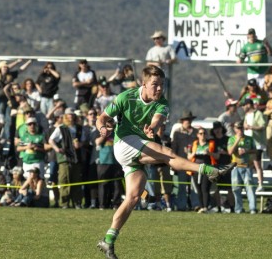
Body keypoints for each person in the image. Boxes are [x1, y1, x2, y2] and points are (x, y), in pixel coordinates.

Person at [95, 65, 235, 259]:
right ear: (143, 84)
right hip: (123, 143)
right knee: (167, 153)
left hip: (136, 152)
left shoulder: (162, 102)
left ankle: (108, 240)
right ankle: (209, 170)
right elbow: (102, 117)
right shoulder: (125, 97)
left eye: (162, 84)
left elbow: (158, 119)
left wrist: (152, 128)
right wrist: (102, 129)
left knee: (133, 197)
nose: (159, 89)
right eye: (155, 85)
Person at [49, 107, 87, 209]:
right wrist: (57, 149)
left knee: (76, 181)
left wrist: (80, 144)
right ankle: (64, 203)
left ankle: (77, 202)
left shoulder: (79, 128)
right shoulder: (61, 128)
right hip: (64, 158)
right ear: (65, 116)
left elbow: (84, 141)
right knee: (64, 180)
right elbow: (51, 140)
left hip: (76, 158)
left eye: (72, 114)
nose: (70, 116)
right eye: (68, 114)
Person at [170, 110, 198, 211]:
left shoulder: (196, 133)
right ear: (182, 121)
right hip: (181, 163)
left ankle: (196, 205)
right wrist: (173, 163)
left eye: (190, 120)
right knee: (181, 185)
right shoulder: (177, 133)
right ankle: (181, 205)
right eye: (186, 120)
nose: (188, 122)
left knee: (194, 186)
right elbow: (174, 148)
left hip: (193, 163)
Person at [227, 121, 257, 214]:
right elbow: (230, 152)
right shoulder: (231, 139)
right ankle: (238, 209)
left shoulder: (250, 139)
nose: (240, 130)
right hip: (235, 167)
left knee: (250, 188)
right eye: (238, 128)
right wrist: (237, 140)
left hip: (247, 166)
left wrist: (247, 151)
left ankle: (252, 208)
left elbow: (255, 151)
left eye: (241, 128)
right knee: (236, 189)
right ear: (235, 129)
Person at [95, 117, 124, 210]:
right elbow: (97, 142)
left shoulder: (117, 130)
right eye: (107, 122)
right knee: (103, 184)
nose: (109, 123)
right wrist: (105, 133)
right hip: (104, 161)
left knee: (117, 184)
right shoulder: (100, 129)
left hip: (117, 161)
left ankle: (116, 204)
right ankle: (102, 204)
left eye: (111, 121)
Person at [187, 128, 218, 213]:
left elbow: (217, 156)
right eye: (200, 133)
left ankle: (206, 207)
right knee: (198, 189)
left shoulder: (210, 144)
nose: (202, 135)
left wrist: (209, 153)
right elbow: (189, 157)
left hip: (207, 168)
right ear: (197, 135)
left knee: (205, 188)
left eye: (204, 133)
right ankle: (201, 207)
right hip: (196, 168)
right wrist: (194, 153)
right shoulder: (194, 144)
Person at [242, 98, 266, 191]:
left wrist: (251, 127)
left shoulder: (258, 114)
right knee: (246, 163)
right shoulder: (246, 115)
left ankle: (260, 184)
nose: (243, 107)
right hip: (247, 141)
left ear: (248, 105)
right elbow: (244, 125)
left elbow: (262, 126)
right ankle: (247, 182)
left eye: (244, 105)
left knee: (257, 163)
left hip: (256, 143)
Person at [210, 121, 234, 213]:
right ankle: (219, 207)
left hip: (227, 166)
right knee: (216, 188)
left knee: (229, 188)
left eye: (219, 128)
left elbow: (231, 152)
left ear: (222, 129)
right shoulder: (212, 141)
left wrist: (225, 152)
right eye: (215, 129)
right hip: (215, 166)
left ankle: (232, 207)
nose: (217, 131)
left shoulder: (228, 139)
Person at [146, 30, 176, 101]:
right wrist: (157, 63)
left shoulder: (168, 48)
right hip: (153, 76)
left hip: (164, 75)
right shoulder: (151, 50)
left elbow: (174, 59)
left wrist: (167, 61)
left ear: (162, 38)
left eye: (158, 38)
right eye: (154, 38)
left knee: (162, 92)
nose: (156, 40)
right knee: (153, 93)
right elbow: (148, 63)